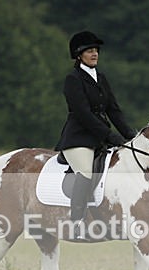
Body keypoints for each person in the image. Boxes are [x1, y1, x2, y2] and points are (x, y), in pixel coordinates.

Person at [55, 31, 135, 239]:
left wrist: (131, 136)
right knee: (86, 172)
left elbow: (114, 111)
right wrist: (110, 136)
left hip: (99, 138)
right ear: (79, 55)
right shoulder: (72, 79)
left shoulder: (101, 78)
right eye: (89, 51)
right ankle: (76, 222)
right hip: (78, 139)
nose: (94, 54)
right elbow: (83, 114)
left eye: (96, 50)